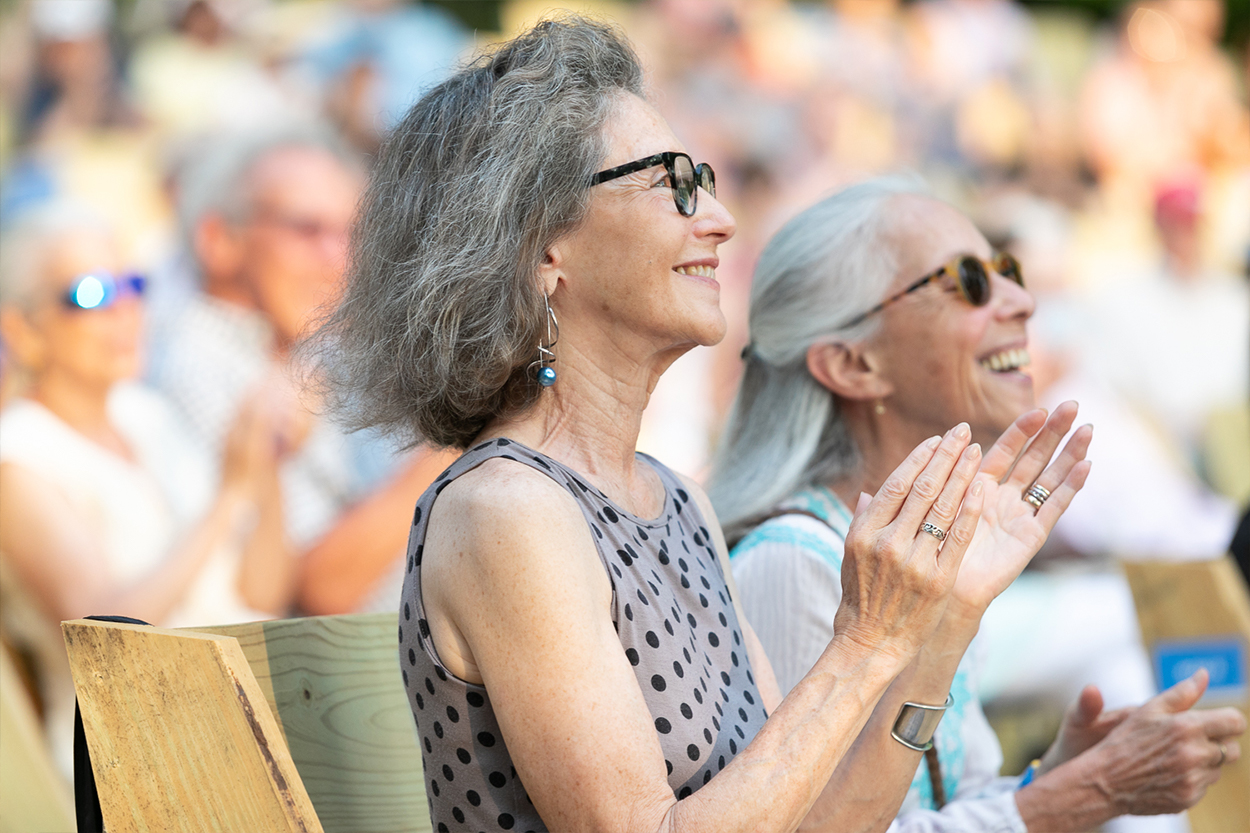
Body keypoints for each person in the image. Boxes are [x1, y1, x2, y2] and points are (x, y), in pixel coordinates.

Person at [312, 19, 1090, 832]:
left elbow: (822, 825)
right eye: (673, 184)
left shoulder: (678, 501)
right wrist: (864, 644)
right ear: (542, 246)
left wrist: (943, 620)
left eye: (708, 180)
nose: (718, 218)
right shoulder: (506, 510)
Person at [709, 177, 1246, 832]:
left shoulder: (934, 548)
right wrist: (1082, 794)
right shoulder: (794, 562)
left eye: (1008, 270)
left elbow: (938, 806)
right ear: (854, 364)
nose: (1022, 300)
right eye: (970, 279)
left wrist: (1056, 774)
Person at [0, 204, 290, 777]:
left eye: (132, 285)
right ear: (24, 329)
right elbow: (107, 638)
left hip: (238, 717)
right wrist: (230, 498)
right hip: (135, 753)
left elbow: (264, 596)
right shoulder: (19, 457)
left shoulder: (149, 418)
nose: (126, 311)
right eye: (91, 294)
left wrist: (263, 464)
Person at [149, 126, 451, 615]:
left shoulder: (294, 352)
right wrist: (468, 435)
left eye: (352, 236)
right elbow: (313, 592)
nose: (338, 261)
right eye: (308, 230)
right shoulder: (200, 364)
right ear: (218, 239)